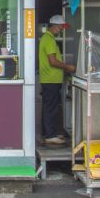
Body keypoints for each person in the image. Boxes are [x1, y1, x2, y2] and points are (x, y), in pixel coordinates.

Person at [39, 14, 76, 145]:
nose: (61, 29)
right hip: (51, 79)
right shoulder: (49, 39)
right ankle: (50, 135)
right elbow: (53, 61)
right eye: (60, 27)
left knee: (48, 106)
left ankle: (49, 133)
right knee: (51, 108)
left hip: (50, 79)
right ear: (54, 26)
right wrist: (68, 67)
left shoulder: (47, 38)